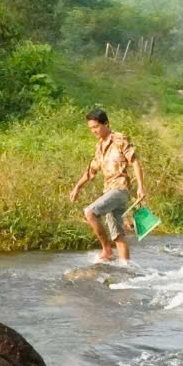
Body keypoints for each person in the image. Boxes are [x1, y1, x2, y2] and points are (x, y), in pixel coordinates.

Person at [69, 109, 145, 262]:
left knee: (90, 212)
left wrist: (141, 187)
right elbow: (91, 171)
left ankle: (107, 250)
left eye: (96, 127)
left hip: (120, 189)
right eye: (91, 128)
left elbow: (135, 161)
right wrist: (77, 187)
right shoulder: (99, 147)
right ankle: (126, 268)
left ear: (106, 123)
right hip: (108, 190)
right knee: (118, 235)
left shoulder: (119, 139)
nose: (93, 131)